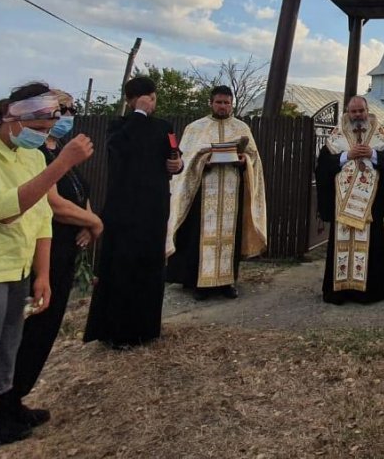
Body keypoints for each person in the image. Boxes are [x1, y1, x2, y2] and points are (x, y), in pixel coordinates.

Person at [0, 83, 92, 455]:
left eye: (47, 129)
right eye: (38, 127)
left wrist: (41, 274)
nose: (43, 135)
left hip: (16, 273)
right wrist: (62, 164)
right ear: (12, 115)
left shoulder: (32, 157)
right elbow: (4, 208)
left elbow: (41, 218)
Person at [0, 91, 103, 433]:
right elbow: (50, 203)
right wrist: (95, 222)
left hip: (59, 251)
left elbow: (75, 194)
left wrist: (86, 219)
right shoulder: (35, 151)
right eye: (61, 109)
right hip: (39, 249)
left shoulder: (53, 151)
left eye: (69, 110)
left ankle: (14, 400)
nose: (65, 116)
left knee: (42, 330)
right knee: (20, 332)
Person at [86, 77, 182, 346]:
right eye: (147, 98)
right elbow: (122, 151)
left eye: (152, 97)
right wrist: (138, 114)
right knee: (122, 270)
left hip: (154, 209)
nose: (152, 102)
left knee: (150, 269)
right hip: (124, 211)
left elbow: (174, 152)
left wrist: (179, 164)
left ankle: (147, 328)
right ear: (132, 100)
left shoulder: (164, 126)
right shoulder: (119, 127)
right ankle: (117, 332)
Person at [164, 85, 265, 299]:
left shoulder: (242, 128)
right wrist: (203, 161)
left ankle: (227, 282)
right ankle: (199, 284)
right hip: (203, 192)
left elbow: (253, 158)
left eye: (226, 103)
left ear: (231, 104)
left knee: (230, 237)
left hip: (232, 191)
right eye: (219, 102)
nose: (222, 106)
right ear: (211, 103)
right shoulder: (195, 128)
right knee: (199, 237)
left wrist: (242, 160)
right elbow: (186, 160)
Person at [315, 96, 384, 305]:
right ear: (348, 112)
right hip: (342, 204)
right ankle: (340, 291)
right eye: (353, 111)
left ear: (367, 110)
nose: (358, 115)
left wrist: (373, 154)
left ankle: (369, 292)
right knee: (341, 244)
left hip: (370, 205)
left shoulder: (378, 133)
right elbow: (323, 164)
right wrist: (346, 155)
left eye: (361, 110)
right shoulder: (337, 135)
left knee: (372, 247)